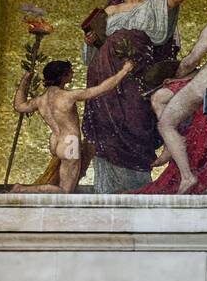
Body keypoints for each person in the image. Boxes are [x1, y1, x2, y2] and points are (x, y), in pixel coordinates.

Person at [133, 0, 207, 195]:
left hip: (206, 81)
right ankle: (172, 145)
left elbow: (192, 60)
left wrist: (177, 74)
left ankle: (187, 175)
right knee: (161, 98)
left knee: (166, 123)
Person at [81, 0, 183, 193]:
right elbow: (93, 47)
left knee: (137, 118)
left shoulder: (154, 6)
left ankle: (139, 186)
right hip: (104, 70)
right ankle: (107, 188)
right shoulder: (109, 11)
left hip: (138, 70)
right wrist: (90, 41)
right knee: (107, 124)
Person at [10, 59, 133, 194]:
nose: (73, 73)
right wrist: (124, 71)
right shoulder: (67, 96)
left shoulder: (40, 100)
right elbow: (102, 89)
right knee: (65, 192)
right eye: (70, 72)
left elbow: (19, 106)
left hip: (56, 142)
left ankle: (23, 189)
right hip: (70, 144)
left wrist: (25, 80)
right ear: (63, 76)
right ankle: (22, 189)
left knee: (64, 188)